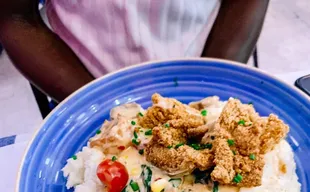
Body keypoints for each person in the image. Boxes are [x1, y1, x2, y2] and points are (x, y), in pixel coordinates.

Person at [0, 0, 269, 103]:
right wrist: (104, 107)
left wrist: (210, 87)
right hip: (82, 81)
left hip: (209, 59)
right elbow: (15, 18)